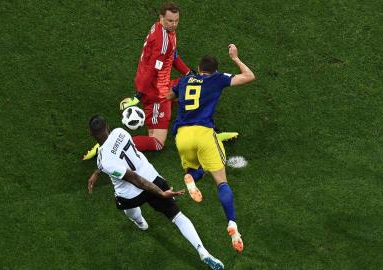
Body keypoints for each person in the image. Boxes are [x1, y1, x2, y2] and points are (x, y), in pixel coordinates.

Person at [82, 2, 237, 159]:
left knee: (198, 86)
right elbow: (152, 69)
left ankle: (211, 132)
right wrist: (139, 95)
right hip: (156, 93)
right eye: (170, 21)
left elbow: (173, 56)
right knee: (157, 142)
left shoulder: (162, 30)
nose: (174, 24)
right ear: (161, 17)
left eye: (176, 20)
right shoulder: (162, 41)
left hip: (161, 84)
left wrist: (189, 73)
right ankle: (108, 144)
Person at [86, 115, 224, 270]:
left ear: (91, 134)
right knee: (178, 216)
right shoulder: (120, 132)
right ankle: (202, 250)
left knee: (126, 207)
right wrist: (97, 172)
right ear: (107, 125)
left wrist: (161, 193)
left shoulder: (104, 160)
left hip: (131, 194)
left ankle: (140, 222)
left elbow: (134, 178)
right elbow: (114, 156)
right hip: (152, 177)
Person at [168, 44, 256, 253]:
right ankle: (232, 224)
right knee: (221, 181)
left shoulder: (184, 80)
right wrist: (235, 58)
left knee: (199, 166)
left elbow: (168, 97)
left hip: (182, 137)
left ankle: (191, 176)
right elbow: (249, 76)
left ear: (198, 69)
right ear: (214, 71)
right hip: (204, 134)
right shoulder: (217, 79)